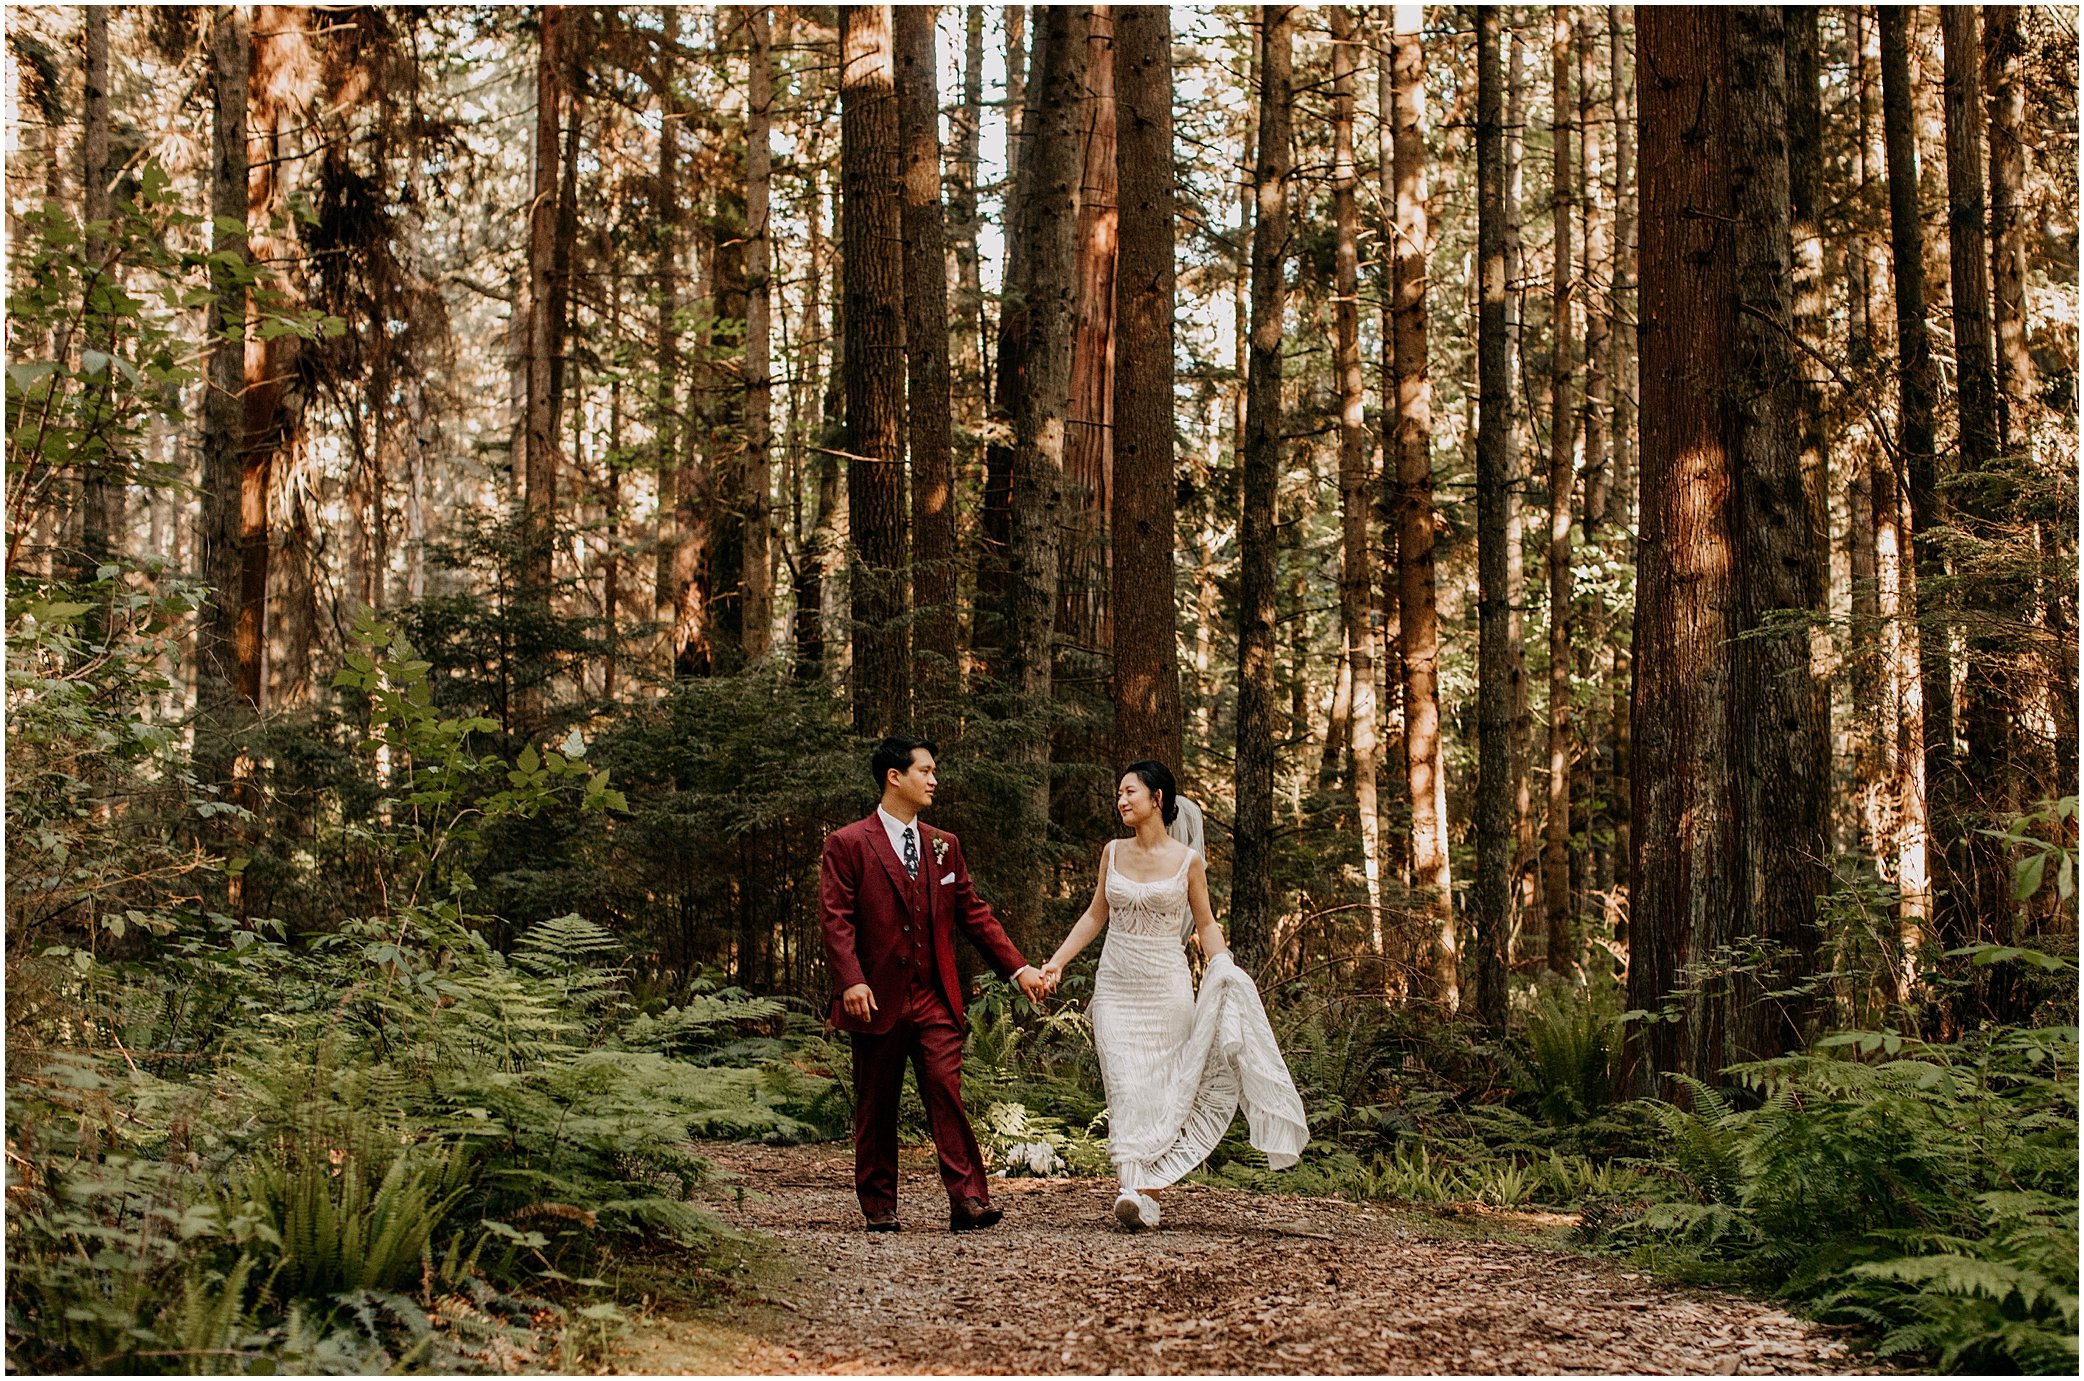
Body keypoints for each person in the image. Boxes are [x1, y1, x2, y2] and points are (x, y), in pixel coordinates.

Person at [1038, 760, 1308, 1230]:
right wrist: (1058, 961)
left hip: (1167, 988)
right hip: (1117, 989)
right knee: (1124, 1086)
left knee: (1162, 1090)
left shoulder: (1188, 861)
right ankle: (1130, 1188)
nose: (1121, 801)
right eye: (1118, 793)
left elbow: (1204, 924)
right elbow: (1094, 915)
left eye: (1130, 792)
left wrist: (1224, 968)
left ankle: (1146, 1193)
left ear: (1157, 799)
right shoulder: (1112, 852)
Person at [819, 736, 1051, 1233]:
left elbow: (975, 915)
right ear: (894, 777)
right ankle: (879, 1204)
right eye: (925, 770)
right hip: (874, 997)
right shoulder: (848, 843)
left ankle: (968, 1198)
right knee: (876, 1103)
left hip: (935, 997)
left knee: (946, 1090)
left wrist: (1018, 968)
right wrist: (851, 982)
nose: (934, 779)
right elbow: (836, 920)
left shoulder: (945, 846)